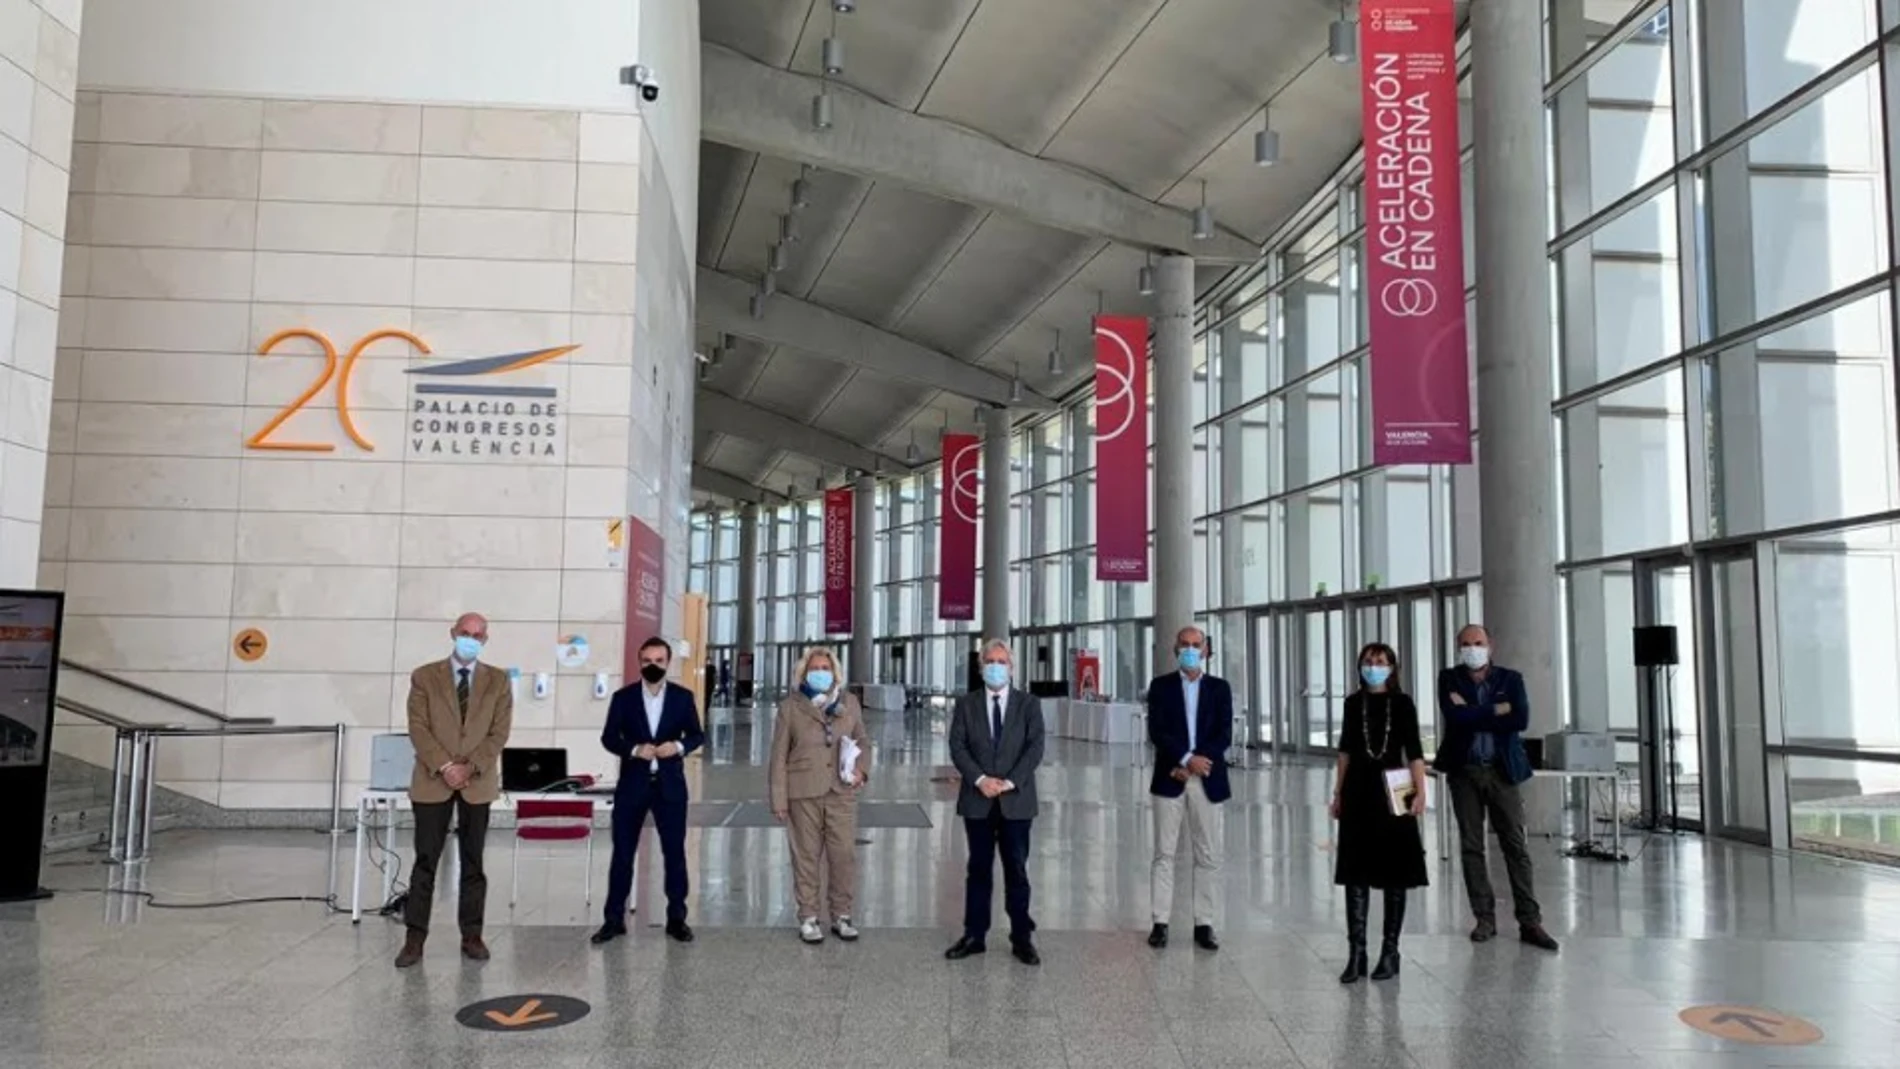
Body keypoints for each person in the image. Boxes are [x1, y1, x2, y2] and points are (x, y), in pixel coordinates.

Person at [396, 612, 512, 968]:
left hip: (478, 783)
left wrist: (470, 766)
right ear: (452, 634)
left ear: (486, 640)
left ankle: (472, 936)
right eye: (465, 633)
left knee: (473, 863)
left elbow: (499, 732)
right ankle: (414, 940)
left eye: (478, 635)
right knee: (425, 862)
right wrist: (446, 766)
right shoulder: (425, 677)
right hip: (433, 781)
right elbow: (418, 727)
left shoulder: (498, 680)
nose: (471, 639)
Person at [1434, 624, 1560, 952]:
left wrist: (1474, 711)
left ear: (1491, 645)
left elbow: (1519, 719)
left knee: (1515, 846)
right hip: (1464, 772)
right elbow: (1455, 718)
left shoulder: (1510, 679)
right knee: (1472, 846)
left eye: (1478, 643)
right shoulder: (1448, 678)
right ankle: (1484, 918)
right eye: (1465, 644)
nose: (1472, 649)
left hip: (1502, 772)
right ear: (1458, 647)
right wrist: (1495, 711)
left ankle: (1530, 920)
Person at [594, 636, 706, 946]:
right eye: (647, 661)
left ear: (668, 663)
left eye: (659, 661)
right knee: (623, 854)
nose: (652, 666)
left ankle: (677, 919)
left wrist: (679, 746)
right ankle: (613, 920)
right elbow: (609, 738)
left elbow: (697, 735)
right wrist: (633, 750)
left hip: (670, 786)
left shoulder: (683, 698)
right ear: (639, 663)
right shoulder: (623, 698)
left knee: (674, 854)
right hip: (633, 785)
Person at [1330, 642, 1428, 983]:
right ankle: (1356, 952)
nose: (1374, 667)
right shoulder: (1352, 704)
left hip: (1396, 787)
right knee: (1355, 871)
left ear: (1392, 667)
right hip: (1358, 787)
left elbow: (1414, 751)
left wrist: (1420, 792)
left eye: (1381, 662)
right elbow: (1344, 751)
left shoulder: (1402, 704)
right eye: (1369, 662)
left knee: (1394, 871)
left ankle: (1390, 950)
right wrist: (1338, 792)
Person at [944, 639, 1046, 966]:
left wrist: (1010, 781)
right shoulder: (966, 705)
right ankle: (975, 935)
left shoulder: (1028, 704)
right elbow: (958, 746)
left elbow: (1035, 748)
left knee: (1016, 869)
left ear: (1012, 667)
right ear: (980, 666)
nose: (996, 666)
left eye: (1002, 661)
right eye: (990, 661)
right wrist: (980, 780)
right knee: (978, 869)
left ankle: (1021, 937)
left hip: (1016, 801)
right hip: (978, 800)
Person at [768, 646, 871, 943]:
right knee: (806, 857)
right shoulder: (790, 707)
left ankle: (842, 914)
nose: (821, 672)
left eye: (826, 668)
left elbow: (863, 739)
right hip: (802, 792)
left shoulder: (849, 703)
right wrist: (779, 799)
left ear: (835, 673)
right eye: (815, 668)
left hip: (841, 790)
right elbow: (778, 757)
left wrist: (861, 770)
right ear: (803, 673)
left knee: (843, 855)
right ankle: (809, 916)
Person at [1145, 625, 1232, 952]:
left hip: (1208, 778)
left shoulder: (1220, 689)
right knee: (1164, 854)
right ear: (1175, 648)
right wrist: (1183, 759)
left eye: (1197, 645)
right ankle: (1160, 922)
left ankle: (1204, 923)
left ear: (1207, 650)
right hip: (1171, 776)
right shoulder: (1160, 687)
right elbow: (1157, 730)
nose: (1191, 650)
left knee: (1208, 854)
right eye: (1185, 645)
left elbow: (1224, 733)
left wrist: (1199, 761)